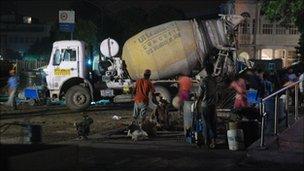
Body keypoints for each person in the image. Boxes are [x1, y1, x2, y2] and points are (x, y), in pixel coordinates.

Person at [197, 64, 217, 149]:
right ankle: (213, 140)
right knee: (213, 123)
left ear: (206, 71)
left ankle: (207, 141)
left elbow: (200, 95)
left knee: (206, 123)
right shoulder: (214, 80)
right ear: (212, 70)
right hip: (213, 105)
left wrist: (197, 103)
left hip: (205, 105)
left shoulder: (204, 81)